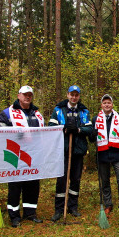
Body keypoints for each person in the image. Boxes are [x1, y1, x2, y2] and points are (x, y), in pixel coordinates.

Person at [0, 86, 45, 227]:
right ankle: (14, 216)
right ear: (18, 95)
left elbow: (45, 132)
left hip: (33, 154)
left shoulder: (37, 114)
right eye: (25, 95)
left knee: (33, 184)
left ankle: (30, 213)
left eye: (30, 95)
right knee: (15, 186)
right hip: (14, 153)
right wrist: (14, 131)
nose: (27, 97)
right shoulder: (8, 113)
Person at [49, 85, 93, 220]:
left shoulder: (84, 111)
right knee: (61, 180)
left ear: (79, 96)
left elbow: (90, 129)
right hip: (62, 149)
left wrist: (78, 130)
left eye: (76, 95)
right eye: (72, 94)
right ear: (68, 95)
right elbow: (51, 127)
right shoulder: (58, 110)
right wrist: (65, 129)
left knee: (75, 179)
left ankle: (73, 207)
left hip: (78, 149)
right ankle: (59, 209)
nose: (74, 97)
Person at [91, 94, 119, 216]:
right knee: (105, 180)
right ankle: (108, 204)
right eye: (104, 103)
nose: (107, 104)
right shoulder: (96, 119)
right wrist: (93, 134)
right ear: (101, 105)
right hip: (102, 154)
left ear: (112, 104)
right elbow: (92, 140)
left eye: (109, 102)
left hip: (117, 153)